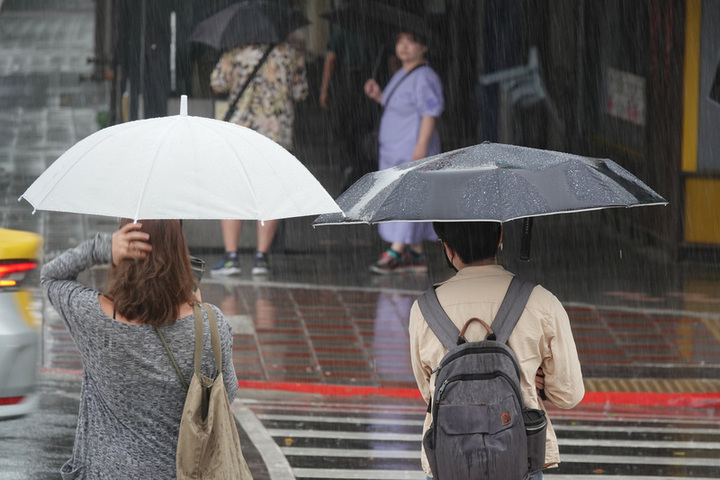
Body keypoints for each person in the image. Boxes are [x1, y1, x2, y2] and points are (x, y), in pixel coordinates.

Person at [41, 220, 238, 479]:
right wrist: (200, 317)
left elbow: (50, 276)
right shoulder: (211, 327)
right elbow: (227, 395)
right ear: (179, 254)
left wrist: (102, 248)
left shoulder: (94, 318)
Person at [408, 221, 585, 479]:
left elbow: (429, 392)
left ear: (447, 248)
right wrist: (537, 385)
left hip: (450, 459)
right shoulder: (541, 302)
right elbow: (569, 394)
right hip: (517, 456)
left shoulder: (424, 309)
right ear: (500, 237)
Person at [210, 41, 308, 276]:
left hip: (240, 132)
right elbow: (301, 92)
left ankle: (232, 257)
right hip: (276, 134)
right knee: (269, 195)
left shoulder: (234, 52)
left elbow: (217, 84)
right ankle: (260, 258)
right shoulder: (291, 55)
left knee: (233, 192)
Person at [364, 30, 444, 274]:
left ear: (424, 47)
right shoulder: (402, 73)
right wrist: (378, 95)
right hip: (394, 150)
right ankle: (416, 253)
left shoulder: (425, 76)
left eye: (411, 42)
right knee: (403, 196)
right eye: (400, 42)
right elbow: (398, 106)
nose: (405, 47)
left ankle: (397, 250)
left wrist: (421, 146)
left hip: (411, 148)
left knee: (407, 197)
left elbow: (429, 111)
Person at [320, 25, 379, 192]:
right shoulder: (371, 27)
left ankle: (350, 171)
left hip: (347, 80)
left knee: (346, 130)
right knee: (363, 128)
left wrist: (324, 89)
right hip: (367, 78)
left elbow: (331, 58)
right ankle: (359, 170)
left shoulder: (342, 26)